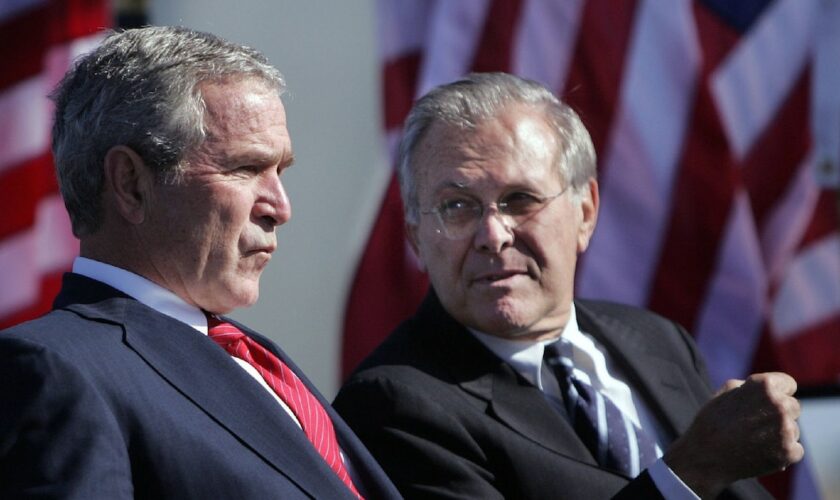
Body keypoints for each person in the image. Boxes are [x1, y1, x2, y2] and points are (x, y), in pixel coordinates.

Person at [333, 73, 803, 499]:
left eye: (520, 200)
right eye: (457, 206)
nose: (493, 236)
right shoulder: (392, 404)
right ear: (416, 236)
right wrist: (692, 470)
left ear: (585, 211)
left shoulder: (657, 340)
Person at [0, 26, 399, 499]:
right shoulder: (57, 368)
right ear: (131, 184)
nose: (280, 206)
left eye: (280, 171)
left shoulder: (255, 357)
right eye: (245, 168)